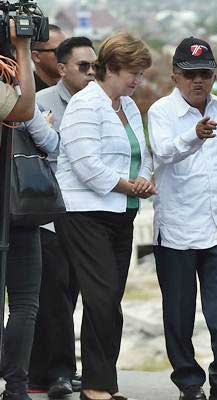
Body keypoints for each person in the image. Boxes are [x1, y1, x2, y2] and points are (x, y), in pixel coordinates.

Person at [54, 32, 155, 400]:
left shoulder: (127, 106)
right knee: (99, 298)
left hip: (120, 214)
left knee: (110, 299)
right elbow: (86, 166)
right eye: (133, 73)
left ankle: (103, 382)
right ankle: (95, 386)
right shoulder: (85, 104)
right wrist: (129, 186)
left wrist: (142, 181)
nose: (138, 81)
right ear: (111, 68)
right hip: (85, 214)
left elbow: (138, 153)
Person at [148, 37, 217, 400]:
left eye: (205, 74)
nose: (198, 82)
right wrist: (194, 136)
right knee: (178, 315)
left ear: (214, 76)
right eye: (190, 75)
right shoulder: (161, 112)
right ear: (175, 76)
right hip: (176, 230)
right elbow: (163, 152)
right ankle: (189, 383)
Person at [28, 36, 96, 399]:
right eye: (83, 66)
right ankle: (58, 372)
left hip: (90, 214)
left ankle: (81, 371)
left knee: (84, 295)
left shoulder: (102, 103)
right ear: (62, 67)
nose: (90, 73)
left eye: (94, 67)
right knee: (54, 297)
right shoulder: (40, 102)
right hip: (52, 213)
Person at [0, 21, 45, 400]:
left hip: (16, 206)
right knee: (25, 302)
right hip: (21, 201)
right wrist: (24, 50)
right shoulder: (10, 71)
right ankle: (15, 386)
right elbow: (26, 108)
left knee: (26, 303)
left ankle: (14, 382)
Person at [31, 24, 67, 91]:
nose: (67, 56)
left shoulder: (75, 88)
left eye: (68, 50)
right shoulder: (27, 92)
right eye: (59, 51)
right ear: (36, 56)